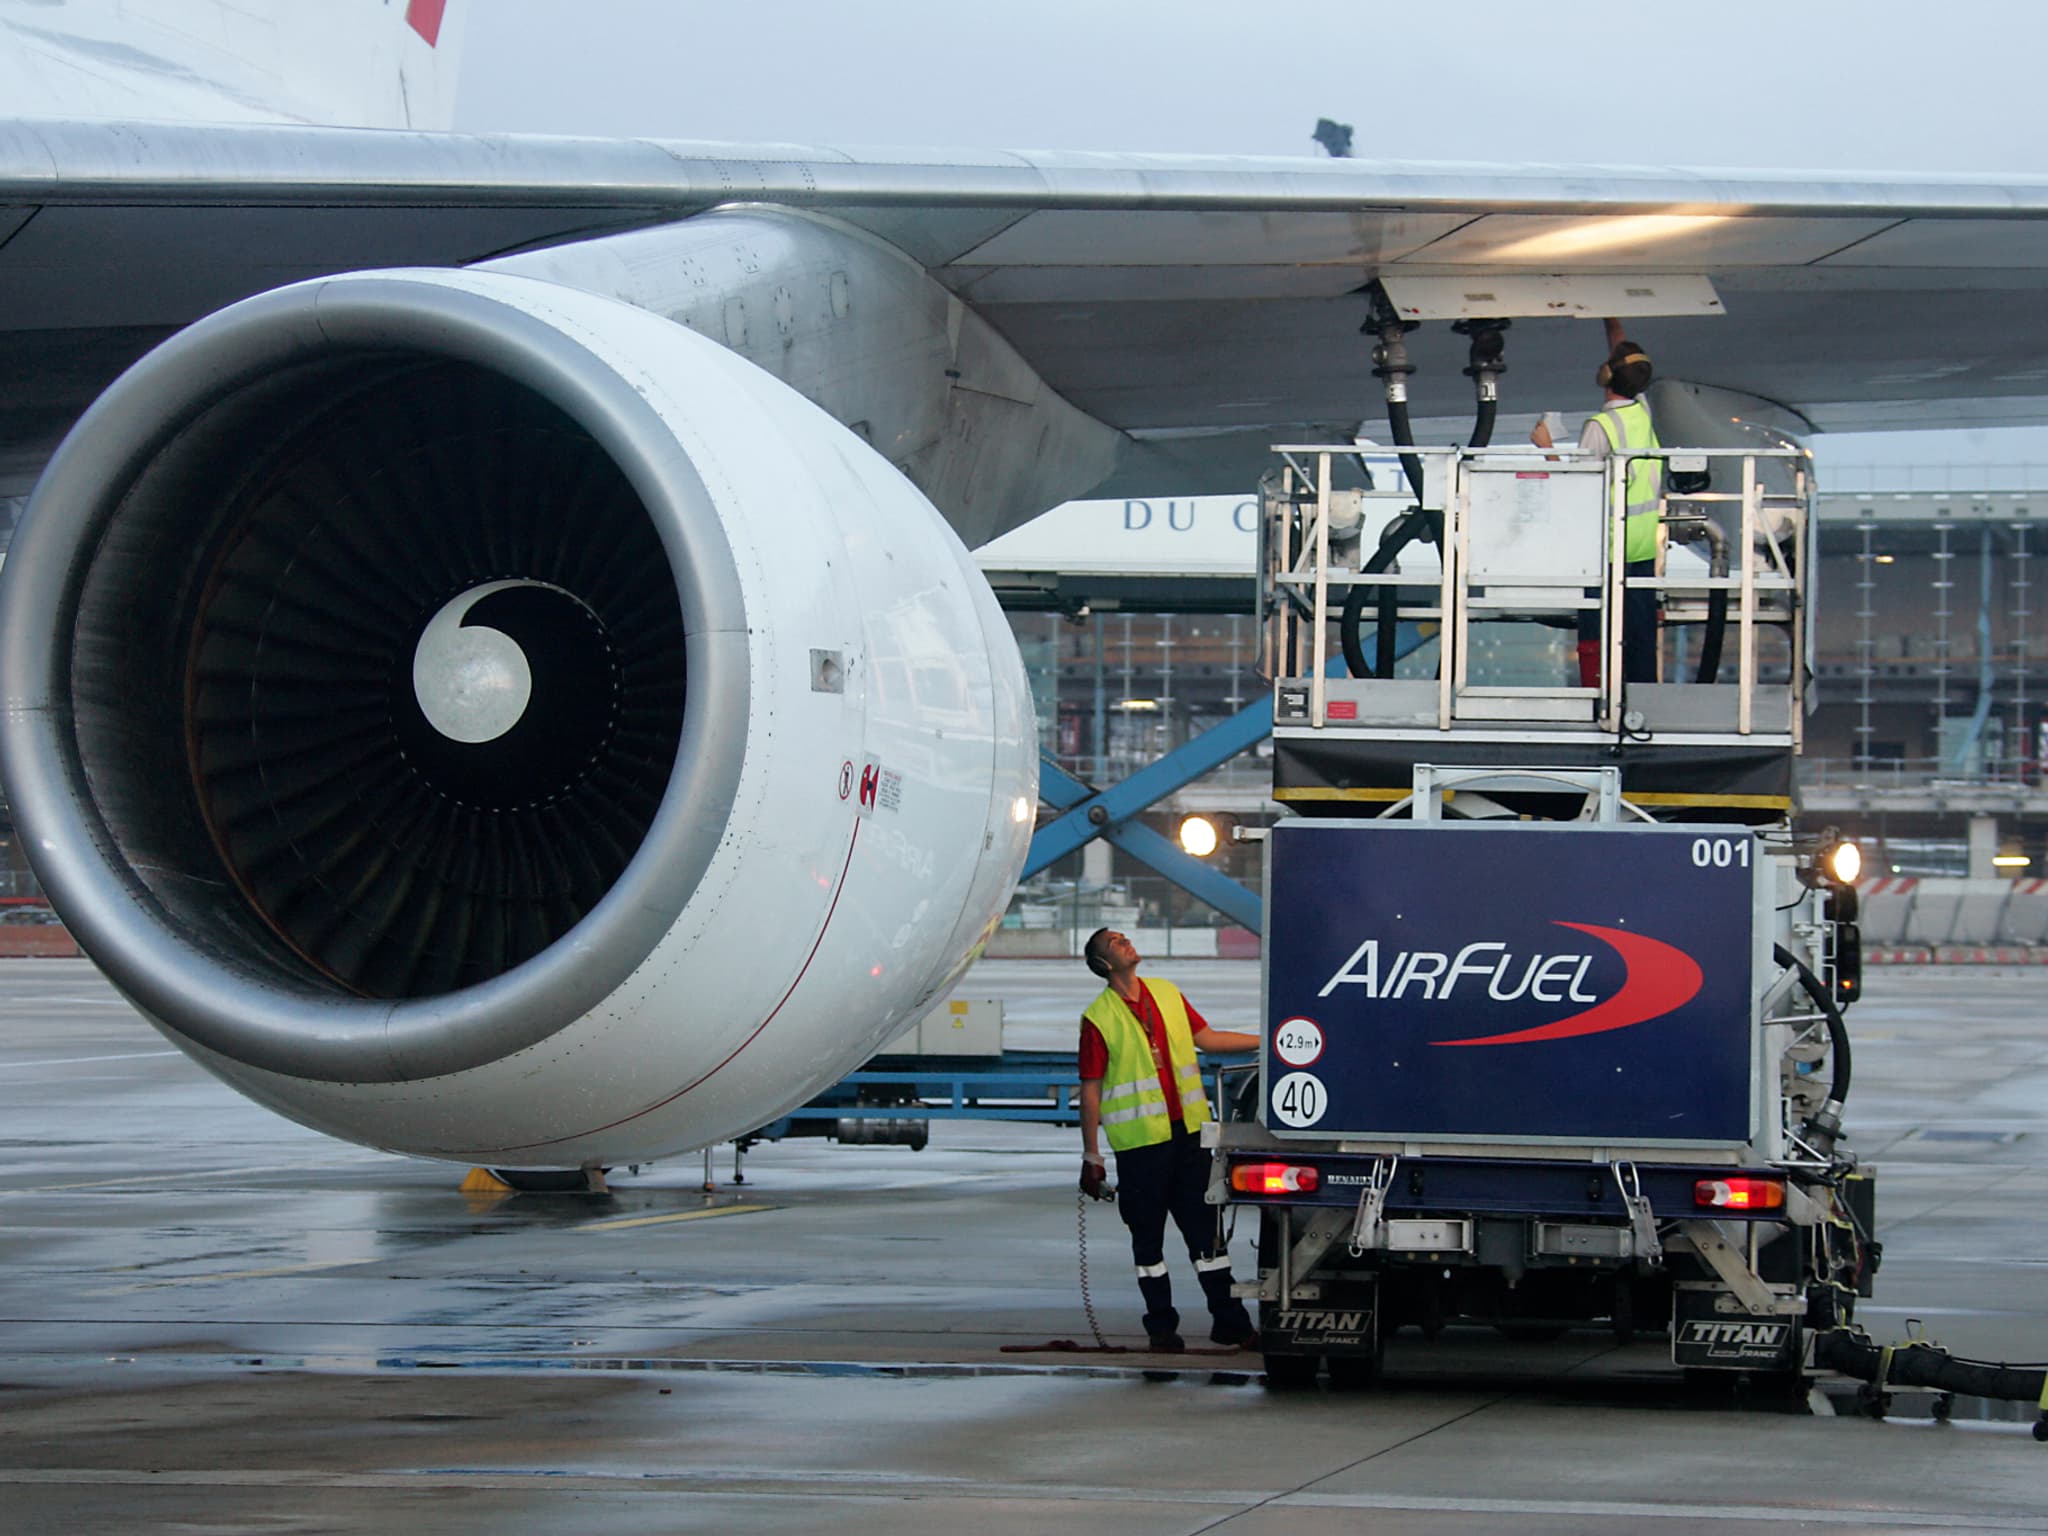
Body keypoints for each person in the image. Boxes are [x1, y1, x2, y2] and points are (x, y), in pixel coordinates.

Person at [1077, 927, 1260, 1352]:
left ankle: (1230, 1323)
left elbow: (1208, 1039)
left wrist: (1268, 1042)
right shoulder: (1099, 1018)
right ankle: (1161, 1328)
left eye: (1124, 937)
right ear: (1104, 964)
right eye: (1116, 942)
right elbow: (1091, 1089)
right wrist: (1092, 1155)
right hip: (1141, 1146)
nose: (1127, 942)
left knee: (1207, 1236)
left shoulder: (1165, 993)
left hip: (1189, 1137)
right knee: (1148, 1243)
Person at [1531, 317, 1663, 685]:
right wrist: (1611, 318)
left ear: (1606, 376)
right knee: (1640, 638)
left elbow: (1577, 488)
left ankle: (1597, 698)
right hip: (1640, 547)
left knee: (1597, 634)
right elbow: (1624, 358)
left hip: (1605, 550)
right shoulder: (1642, 413)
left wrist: (1546, 448)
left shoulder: (1599, 427)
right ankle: (1643, 700)